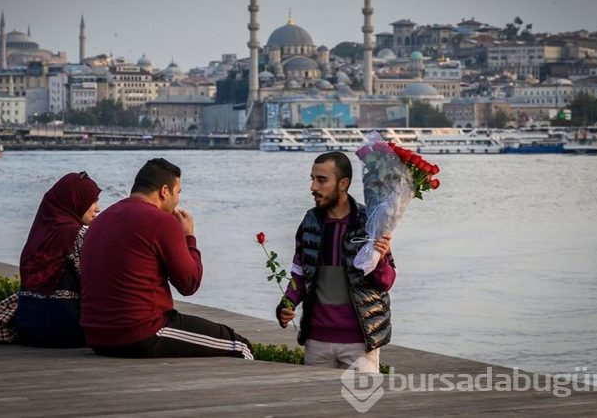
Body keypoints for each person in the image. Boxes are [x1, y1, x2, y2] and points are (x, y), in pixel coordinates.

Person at [80, 158, 253, 359]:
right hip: (142, 332)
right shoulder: (160, 221)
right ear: (164, 191)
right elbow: (189, 283)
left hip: (96, 337)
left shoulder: (102, 220)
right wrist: (189, 236)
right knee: (240, 346)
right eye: (178, 192)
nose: (178, 199)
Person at [276, 152, 396, 372]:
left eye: (321, 180)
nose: (313, 186)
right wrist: (287, 304)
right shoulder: (309, 221)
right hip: (316, 342)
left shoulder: (370, 222)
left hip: (360, 343)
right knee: (316, 405)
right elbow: (299, 274)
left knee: (362, 406)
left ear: (343, 183)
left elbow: (386, 282)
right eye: (312, 178)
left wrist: (379, 259)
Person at [15, 171, 102, 347]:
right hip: (67, 330)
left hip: (26, 328)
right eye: (92, 201)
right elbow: (94, 284)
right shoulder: (77, 234)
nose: (98, 208)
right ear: (76, 201)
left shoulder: (37, 235)